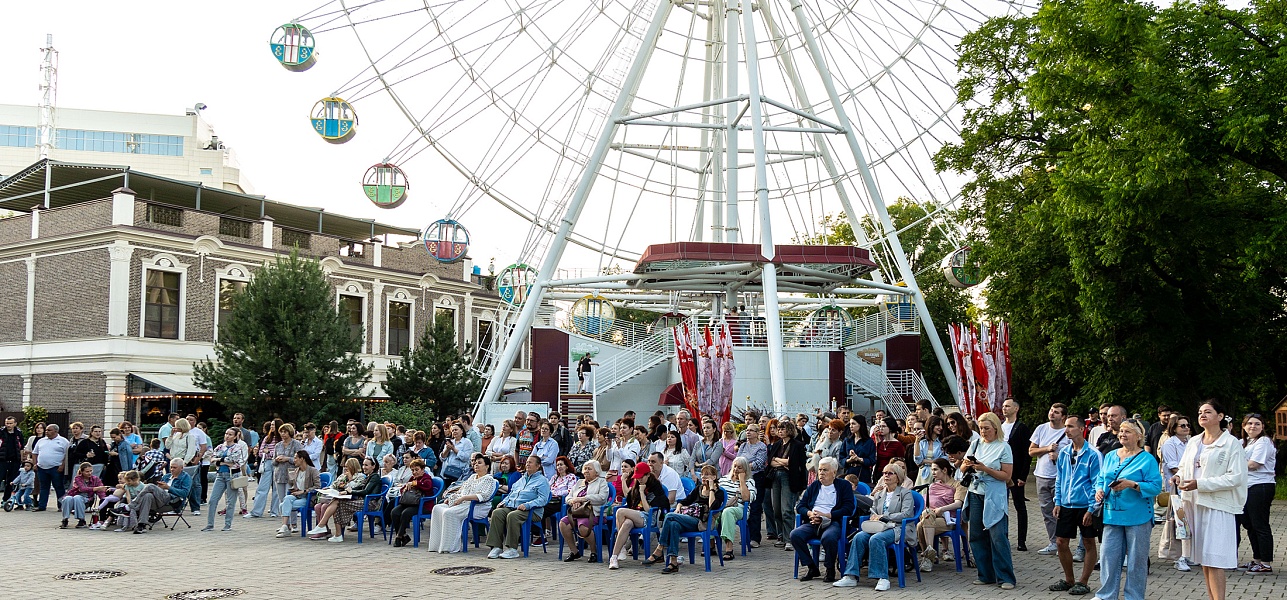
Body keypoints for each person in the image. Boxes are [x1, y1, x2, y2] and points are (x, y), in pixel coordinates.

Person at [1176, 400, 1247, 600]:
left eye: (1208, 411)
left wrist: (1200, 484)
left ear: (1220, 416)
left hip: (1217, 505)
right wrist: (1178, 477)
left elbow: (1236, 477)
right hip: (1194, 504)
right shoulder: (1194, 441)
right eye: (1200, 412)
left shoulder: (1231, 442)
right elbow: (1183, 467)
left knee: (1215, 558)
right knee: (1204, 559)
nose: (1202, 415)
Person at [1095, 419, 1162, 600]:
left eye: (1128, 431)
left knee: (1136, 561)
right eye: (1122, 431)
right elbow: (1101, 477)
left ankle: (1134, 596)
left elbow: (1156, 486)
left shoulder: (1147, 459)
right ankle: (1106, 595)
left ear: (1139, 436)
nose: (1122, 434)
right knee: (1108, 558)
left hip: (1138, 516)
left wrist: (1131, 484)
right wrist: (1099, 490)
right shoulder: (1110, 456)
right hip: (1111, 514)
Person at [833, 461, 915, 590]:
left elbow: (907, 514)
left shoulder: (905, 493)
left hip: (898, 527)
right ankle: (851, 576)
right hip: (879, 526)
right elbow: (875, 511)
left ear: (898, 477)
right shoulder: (879, 494)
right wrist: (874, 516)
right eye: (884, 473)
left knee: (876, 539)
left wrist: (885, 516)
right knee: (859, 537)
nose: (885, 476)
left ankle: (882, 578)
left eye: (889, 473)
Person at [961, 411, 1016, 589]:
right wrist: (967, 465)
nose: (983, 431)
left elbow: (1007, 476)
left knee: (998, 535)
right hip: (976, 491)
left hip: (994, 493)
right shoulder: (976, 444)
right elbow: (962, 466)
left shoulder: (1003, 447)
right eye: (981, 428)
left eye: (987, 428)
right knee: (976, 535)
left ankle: (1006, 577)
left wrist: (985, 469)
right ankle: (985, 574)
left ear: (995, 428)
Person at [1048, 416, 1100, 595]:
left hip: (1085, 505)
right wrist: (1058, 501)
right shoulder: (1064, 453)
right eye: (1066, 427)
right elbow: (1060, 478)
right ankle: (1069, 579)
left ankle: (1083, 581)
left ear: (1081, 428)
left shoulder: (1093, 454)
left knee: (1088, 542)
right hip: (1066, 505)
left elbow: (1097, 482)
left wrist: (1092, 508)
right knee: (1061, 541)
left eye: (1070, 426)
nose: (1067, 430)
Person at [645, 464, 727, 574]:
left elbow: (713, 506)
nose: (703, 477)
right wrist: (678, 507)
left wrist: (711, 488)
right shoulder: (698, 489)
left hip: (702, 522)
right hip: (689, 518)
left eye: (707, 475)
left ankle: (660, 549)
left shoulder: (719, 492)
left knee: (669, 516)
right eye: (702, 474)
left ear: (714, 477)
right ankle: (673, 562)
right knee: (673, 524)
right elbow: (684, 501)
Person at [786, 456, 854, 583]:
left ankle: (830, 569)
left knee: (828, 537)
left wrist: (828, 515)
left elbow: (848, 508)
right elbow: (800, 506)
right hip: (814, 521)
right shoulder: (814, 486)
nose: (821, 473)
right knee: (795, 534)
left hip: (833, 521)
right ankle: (812, 567)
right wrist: (810, 513)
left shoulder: (843, 485)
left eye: (825, 470)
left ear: (834, 472)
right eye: (820, 470)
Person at [427, 454, 498, 553]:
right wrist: (451, 498)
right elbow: (461, 491)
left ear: (487, 466)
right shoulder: (472, 477)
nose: (476, 465)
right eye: (475, 463)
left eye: (480, 463)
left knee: (449, 513)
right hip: (462, 503)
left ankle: (449, 547)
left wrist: (463, 498)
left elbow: (483, 496)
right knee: (437, 508)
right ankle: (437, 544)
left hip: (476, 506)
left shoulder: (489, 479)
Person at [608, 459, 670, 569]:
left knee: (620, 511)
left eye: (641, 477)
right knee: (626, 523)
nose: (639, 479)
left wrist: (642, 492)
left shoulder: (656, 488)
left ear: (648, 475)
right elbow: (629, 499)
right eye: (637, 477)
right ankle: (614, 557)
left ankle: (622, 546)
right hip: (636, 515)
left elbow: (648, 509)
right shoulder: (637, 484)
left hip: (649, 518)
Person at [486, 455, 551, 560]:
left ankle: (512, 549)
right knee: (497, 513)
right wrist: (504, 502)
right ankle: (496, 547)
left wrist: (527, 505)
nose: (527, 464)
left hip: (532, 511)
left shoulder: (542, 481)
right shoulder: (522, 479)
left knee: (512, 516)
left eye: (531, 462)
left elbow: (543, 499)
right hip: (514, 507)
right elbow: (512, 493)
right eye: (527, 462)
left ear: (538, 466)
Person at [1029, 402, 1070, 555]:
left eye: (1057, 412)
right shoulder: (1041, 428)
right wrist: (1047, 449)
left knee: (1061, 511)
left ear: (1063, 417)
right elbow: (1031, 451)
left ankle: (1062, 542)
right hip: (1041, 475)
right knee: (1047, 511)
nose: (1052, 414)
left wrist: (1059, 457)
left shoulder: (1068, 432)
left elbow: (1075, 455)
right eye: (1052, 410)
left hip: (1060, 478)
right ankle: (1053, 542)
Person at [1237, 413, 1276, 573]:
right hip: (1246, 487)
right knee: (1249, 524)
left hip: (1261, 486)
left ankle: (1265, 563)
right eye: (1249, 423)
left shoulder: (1264, 442)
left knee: (1260, 524)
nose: (1253, 426)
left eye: (1257, 424)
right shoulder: (1243, 443)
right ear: (1244, 426)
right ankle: (1257, 559)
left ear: (1263, 427)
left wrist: (1234, 464)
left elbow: (1254, 464)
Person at [916, 458, 965, 571]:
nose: (932, 472)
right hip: (931, 517)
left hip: (948, 519)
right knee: (926, 515)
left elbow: (958, 504)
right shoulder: (933, 486)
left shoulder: (958, 485)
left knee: (920, 525)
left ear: (944, 470)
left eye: (935, 470)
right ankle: (930, 553)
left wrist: (941, 509)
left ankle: (928, 557)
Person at [1158, 414, 1193, 570]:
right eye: (1182, 426)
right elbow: (1173, 466)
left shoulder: (1191, 442)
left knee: (1189, 521)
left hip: (1191, 487)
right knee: (1179, 522)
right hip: (1177, 488)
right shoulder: (1169, 444)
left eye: (1187, 425)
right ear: (1174, 428)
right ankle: (1178, 557)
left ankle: (1189, 554)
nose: (1186, 428)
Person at [560, 459, 611, 562]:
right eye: (585, 469)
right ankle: (574, 552)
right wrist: (574, 501)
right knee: (563, 523)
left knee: (583, 526)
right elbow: (568, 497)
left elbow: (602, 498)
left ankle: (594, 552)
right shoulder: (579, 482)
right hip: (577, 512)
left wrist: (583, 499)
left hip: (593, 513)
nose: (586, 471)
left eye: (589, 469)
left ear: (596, 472)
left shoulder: (601, 482)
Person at [768, 419, 808, 550]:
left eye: (782, 428)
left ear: (789, 430)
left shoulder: (797, 445)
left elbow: (792, 463)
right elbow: (771, 462)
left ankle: (789, 538)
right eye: (779, 429)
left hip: (789, 478)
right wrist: (782, 462)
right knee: (777, 509)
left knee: (787, 509)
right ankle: (781, 536)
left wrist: (779, 460)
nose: (779, 431)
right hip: (776, 477)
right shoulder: (776, 444)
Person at [999, 398, 1033, 551]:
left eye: (1008, 406)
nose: (1004, 408)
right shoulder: (999, 427)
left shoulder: (1021, 428)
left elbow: (1027, 454)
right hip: (1000, 472)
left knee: (1019, 505)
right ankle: (1002, 535)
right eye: (1003, 406)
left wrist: (1023, 476)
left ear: (1016, 409)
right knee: (1001, 505)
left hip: (1016, 472)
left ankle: (1021, 540)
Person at [127, 458, 192, 533]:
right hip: (160, 500)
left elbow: (184, 493)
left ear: (181, 468)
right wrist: (159, 488)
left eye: (174, 467)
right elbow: (160, 490)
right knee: (148, 495)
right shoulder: (166, 476)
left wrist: (168, 487)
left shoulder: (186, 478)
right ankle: (142, 525)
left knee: (150, 486)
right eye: (171, 467)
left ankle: (131, 506)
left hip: (173, 501)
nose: (172, 469)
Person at [204, 427, 248, 532]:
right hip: (220, 475)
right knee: (213, 500)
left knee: (230, 501)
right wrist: (221, 461)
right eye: (226, 433)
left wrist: (220, 460)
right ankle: (210, 524)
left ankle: (227, 525)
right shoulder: (220, 447)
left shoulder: (238, 447)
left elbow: (234, 460)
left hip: (232, 475)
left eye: (230, 434)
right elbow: (213, 459)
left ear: (235, 436)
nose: (227, 436)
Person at [715, 455, 756, 560]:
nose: (736, 470)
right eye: (735, 467)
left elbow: (747, 499)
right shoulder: (723, 480)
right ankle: (711, 545)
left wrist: (742, 481)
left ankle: (729, 548)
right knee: (712, 513)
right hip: (722, 507)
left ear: (745, 470)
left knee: (728, 512)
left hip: (740, 508)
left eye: (740, 468)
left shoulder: (749, 482)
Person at [389, 459, 436, 547]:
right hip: (409, 502)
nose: (414, 472)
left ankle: (398, 537)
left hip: (423, 505)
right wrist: (406, 487)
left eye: (417, 470)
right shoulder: (412, 478)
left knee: (406, 513)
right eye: (413, 470)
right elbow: (404, 489)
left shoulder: (426, 478)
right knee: (394, 512)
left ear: (422, 469)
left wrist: (415, 483)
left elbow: (427, 486)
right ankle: (404, 535)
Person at [274, 450, 321, 537]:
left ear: (302, 459)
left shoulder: (312, 470)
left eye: (296, 458)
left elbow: (318, 486)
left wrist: (304, 491)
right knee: (287, 498)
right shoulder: (296, 471)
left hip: (307, 498)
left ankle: (285, 527)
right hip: (297, 496)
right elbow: (293, 485)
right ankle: (285, 526)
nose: (294, 460)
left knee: (282, 505)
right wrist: (292, 483)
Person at [737, 423, 768, 547]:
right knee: (744, 506)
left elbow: (758, 463)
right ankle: (746, 536)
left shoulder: (761, 447)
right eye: (747, 430)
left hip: (756, 478)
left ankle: (755, 538)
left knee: (755, 508)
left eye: (751, 430)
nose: (748, 432)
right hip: (743, 478)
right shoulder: (743, 445)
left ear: (757, 433)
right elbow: (737, 460)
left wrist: (743, 467)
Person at [31, 423, 71, 511]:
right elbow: (34, 453)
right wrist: (35, 464)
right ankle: (42, 506)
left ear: (56, 431)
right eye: (46, 430)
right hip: (42, 468)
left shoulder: (63, 441)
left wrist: (62, 465)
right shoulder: (41, 440)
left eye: (49, 430)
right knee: (44, 487)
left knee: (59, 487)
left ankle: (61, 506)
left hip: (56, 468)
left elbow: (67, 455)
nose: (46, 432)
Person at [60, 462, 107, 528]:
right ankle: (65, 519)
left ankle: (81, 520)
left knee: (77, 497)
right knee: (67, 498)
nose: (90, 473)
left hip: (87, 499)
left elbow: (101, 490)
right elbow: (82, 489)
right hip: (74, 496)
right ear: (82, 472)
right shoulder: (77, 478)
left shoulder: (95, 479)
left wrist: (104, 499)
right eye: (87, 471)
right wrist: (95, 488)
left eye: (91, 471)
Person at [544, 456, 578, 544]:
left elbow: (570, 491)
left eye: (561, 465)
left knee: (541, 510)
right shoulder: (555, 477)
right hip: (551, 500)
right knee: (537, 507)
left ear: (566, 466)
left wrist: (556, 492)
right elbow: (547, 489)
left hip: (561, 502)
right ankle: (540, 534)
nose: (559, 467)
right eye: (557, 465)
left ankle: (540, 536)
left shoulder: (571, 477)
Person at [843, 417, 876, 486]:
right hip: (849, 471)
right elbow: (841, 457)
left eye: (853, 424)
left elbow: (872, 460)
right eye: (850, 424)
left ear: (860, 425)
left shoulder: (869, 442)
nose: (851, 426)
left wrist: (859, 459)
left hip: (863, 472)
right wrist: (848, 460)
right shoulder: (847, 440)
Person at [914, 415, 946, 485]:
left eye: (941, 425)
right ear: (931, 425)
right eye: (938, 425)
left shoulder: (942, 443)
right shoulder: (922, 442)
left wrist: (925, 461)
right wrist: (916, 442)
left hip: (938, 475)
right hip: (922, 475)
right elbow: (918, 460)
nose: (940, 428)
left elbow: (944, 460)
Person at [0, 416, 23, 503]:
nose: (8, 425)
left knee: (10, 481)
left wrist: (21, 459)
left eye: (10, 423)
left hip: (14, 461)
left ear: (15, 424)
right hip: (2, 460)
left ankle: (5, 500)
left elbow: (21, 447)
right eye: (7, 423)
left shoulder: (18, 433)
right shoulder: (1, 432)